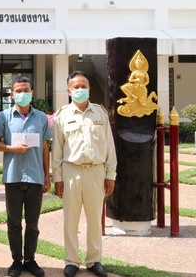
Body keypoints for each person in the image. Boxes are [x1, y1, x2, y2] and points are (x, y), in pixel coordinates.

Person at [51, 71, 117, 277]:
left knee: (94, 219)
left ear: (89, 88)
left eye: (84, 86)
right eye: (76, 87)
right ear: (69, 91)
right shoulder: (62, 115)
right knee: (70, 220)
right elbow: (58, 151)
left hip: (96, 172)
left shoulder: (100, 114)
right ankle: (71, 261)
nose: (80, 90)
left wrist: (110, 175)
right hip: (71, 172)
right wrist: (58, 178)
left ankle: (94, 260)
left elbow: (109, 148)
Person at [0, 76, 51, 277]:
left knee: (33, 224)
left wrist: (47, 175)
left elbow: (45, 147)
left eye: (26, 90)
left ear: (32, 92)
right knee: (14, 222)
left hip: (35, 176)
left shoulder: (41, 118)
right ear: (12, 94)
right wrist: (11, 148)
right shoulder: (3, 117)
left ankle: (30, 260)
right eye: (18, 91)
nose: (23, 94)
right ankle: (16, 260)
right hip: (13, 176)